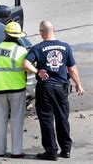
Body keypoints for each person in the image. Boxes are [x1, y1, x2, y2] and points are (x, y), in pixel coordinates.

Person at [23, 20, 84, 161]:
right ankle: (66, 150)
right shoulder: (65, 47)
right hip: (61, 88)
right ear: (53, 30)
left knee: (46, 120)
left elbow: (25, 63)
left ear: (42, 32)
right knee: (63, 118)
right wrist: (78, 84)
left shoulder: (37, 48)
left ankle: (51, 151)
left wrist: (37, 71)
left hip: (45, 88)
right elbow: (72, 69)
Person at [0, 22, 29, 158]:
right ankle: (16, 151)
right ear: (18, 37)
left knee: (0, 120)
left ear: (5, 34)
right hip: (16, 89)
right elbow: (30, 66)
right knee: (17, 119)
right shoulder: (21, 50)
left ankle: (0, 150)